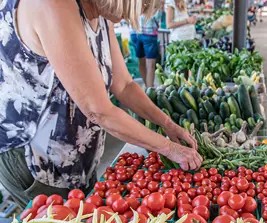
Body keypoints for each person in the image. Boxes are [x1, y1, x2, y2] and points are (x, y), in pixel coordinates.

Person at [0, 0, 202, 208]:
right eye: (138, 7)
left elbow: (124, 86)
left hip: (76, 160)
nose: (129, 18)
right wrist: (168, 148)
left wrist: (167, 124)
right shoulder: (53, 4)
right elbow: (99, 111)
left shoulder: (102, 12)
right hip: (38, 162)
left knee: (85, 222)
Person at [132, 6, 163, 87]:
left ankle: (147, 87)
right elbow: (157, 16)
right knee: (150, 64)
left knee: (141, 61)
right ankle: (149, 89)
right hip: (149, 32)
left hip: (135, 31)